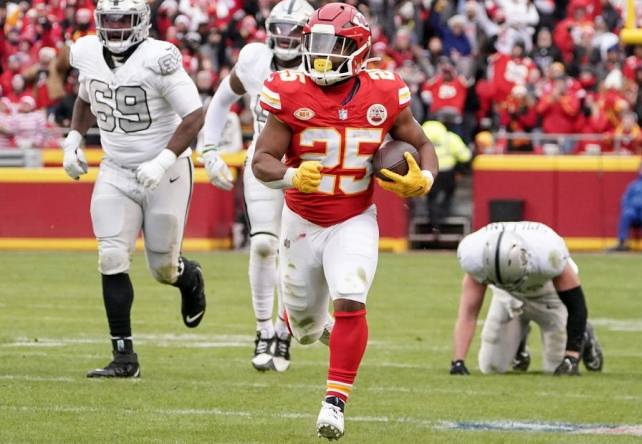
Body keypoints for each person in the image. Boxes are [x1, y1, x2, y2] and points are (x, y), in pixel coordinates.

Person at [251, 3, 438, 440]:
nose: (320, 56)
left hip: (354, 217)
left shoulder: (386, 90)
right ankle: (308, 323)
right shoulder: (289, 90)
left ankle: (334, 403)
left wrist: (424, 177)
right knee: (304, 329)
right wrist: (292, 175)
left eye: (331, 46)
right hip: (300, 219)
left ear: (357, 49)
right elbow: (261, 160)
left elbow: (421, 140)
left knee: (351, 296)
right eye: (314, 44)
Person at [60, 0, 206, 378]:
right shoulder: (88, 51)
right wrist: (73, 138)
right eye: (108, 20)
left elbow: (194, 116)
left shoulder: (159, 58)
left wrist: (161, 160)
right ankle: (124, 357)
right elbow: (88, 95)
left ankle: (187, 276)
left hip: (166, 170)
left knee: (161, 268)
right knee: (111, 256)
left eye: (123, 19)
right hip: (115, 170)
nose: (115, 27)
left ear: (141, 22)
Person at [200, 0, 314, 373]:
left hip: (308, 169)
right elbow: (221, 100)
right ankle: (264, 330)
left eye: (293, 30)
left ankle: (285, 329)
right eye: (279, 28)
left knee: (298, 256)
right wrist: (210, 149)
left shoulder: (322, 64)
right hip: (263, 162)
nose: (285, 37)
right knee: (264, 244)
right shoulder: (253, 59)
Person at [451, 221, 603, 376]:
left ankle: (585, 333)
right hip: (507, 296)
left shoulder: (549, 255)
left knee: (556, 368)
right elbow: (468, 314)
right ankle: (519, 344)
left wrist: (571, 357)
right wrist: (458, 361)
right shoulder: (474, 257)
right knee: (491, 366)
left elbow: (576, 306)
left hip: (549, 294)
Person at [422, 119, 471, 232]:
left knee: (431, 198)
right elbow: (465, 156)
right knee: (448, 194)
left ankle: (434, 223)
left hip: (428, 172)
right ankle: (443, 216)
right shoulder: (450, 137)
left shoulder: (419, 137)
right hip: (448, 172)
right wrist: (461, 171)